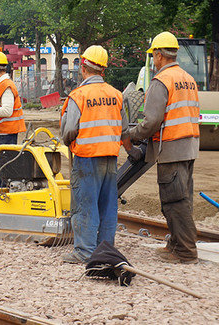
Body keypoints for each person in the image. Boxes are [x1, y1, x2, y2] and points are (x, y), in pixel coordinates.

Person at [123, 32, 200, 264]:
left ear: (158, 55)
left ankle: (186, 252)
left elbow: (151, 122)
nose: (153, 61)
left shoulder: (161, 80)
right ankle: (175, 245)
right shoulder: (187, 78)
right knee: (183, 197)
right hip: (189, 146)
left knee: (173, 201)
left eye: (153, 56)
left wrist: (132, 135)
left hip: (171, 148)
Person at [60, 45, 128, 264]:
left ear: (83, 67)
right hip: (110, 158)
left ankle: (85, 252)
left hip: (87, 157)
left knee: (84, 204)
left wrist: (69, 141)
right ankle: (105, 249)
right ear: (103, 70)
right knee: (107, 205)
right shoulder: (116, 95)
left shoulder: (78, 95)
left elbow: (69, 130)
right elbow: (124, 128)